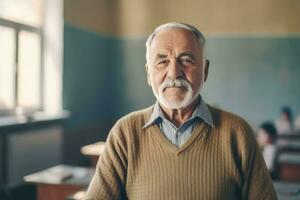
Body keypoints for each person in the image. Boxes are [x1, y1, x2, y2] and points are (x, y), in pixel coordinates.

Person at [85, 22, 277, 200]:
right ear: (148, 75)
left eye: (186, 60)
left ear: (205, 70)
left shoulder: (238, 133)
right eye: (162, 62)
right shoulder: (125, 133)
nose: (174, 72)